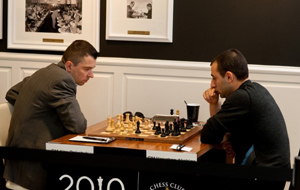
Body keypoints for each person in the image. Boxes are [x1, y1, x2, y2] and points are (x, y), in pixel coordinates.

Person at [3, 40, 98, 190]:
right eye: (87, 69)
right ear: (69, 66)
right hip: (32, 168)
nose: (91, 75)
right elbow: (78, 126)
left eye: (92, 69)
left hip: (17, 164)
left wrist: (37, 110)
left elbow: (12, 93)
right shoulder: (62, 80)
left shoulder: (46, 71)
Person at [201, 48, 290, 190]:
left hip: (262, 180)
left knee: (202, 178)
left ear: (229, 77)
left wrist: (224, 136)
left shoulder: (241, 98)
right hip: (273, 176)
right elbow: (221, 133)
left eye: (214, 77)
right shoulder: (254, 90)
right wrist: (214, 104)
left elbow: (208, 135)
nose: (212, 84)